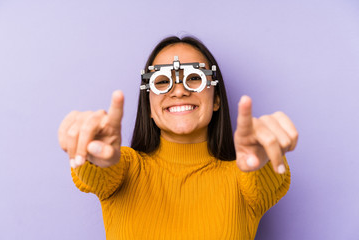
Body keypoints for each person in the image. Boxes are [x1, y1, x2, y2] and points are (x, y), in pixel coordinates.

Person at [58, 36, 298, 239]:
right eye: (162, 82)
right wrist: (91, 150)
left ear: (215, 100)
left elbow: (265, 177)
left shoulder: (243, 179)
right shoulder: (125, 169)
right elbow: (99, 172)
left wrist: (265, 155)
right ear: (150, 107)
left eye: (194, 77)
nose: (180, 90)